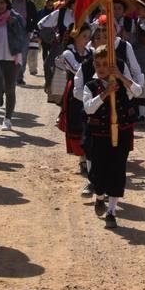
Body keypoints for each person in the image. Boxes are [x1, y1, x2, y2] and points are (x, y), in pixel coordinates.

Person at [79, 42, 143, 228]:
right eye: (97, 64)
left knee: (117, 171)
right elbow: (89, 108)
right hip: (99, 136)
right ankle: (99, 197)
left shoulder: (121, 83)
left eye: (105, 64)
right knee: (98, 173)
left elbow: (138, 91)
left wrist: (121, 77)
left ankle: (111, 212)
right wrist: (105, 94)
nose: (101, 68)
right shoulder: (90, 86)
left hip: (120, 135)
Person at [56, 24, 93, 177]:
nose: (87, 40)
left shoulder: (90, 52)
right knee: (77, 124)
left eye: (88, 36)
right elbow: (78, 69)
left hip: (91, 89)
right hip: (75, 92)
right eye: (84, 36)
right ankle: (82, 159)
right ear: (75, 36)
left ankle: (90, 157)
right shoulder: (68, 53)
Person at [0, 0, 28, 131]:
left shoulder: (15, 17)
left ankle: (8, 119)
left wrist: (13, 24)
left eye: (3, 2)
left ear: (7, 3)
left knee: (10, 89)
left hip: (11, 59)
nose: (0, 6)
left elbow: (22, 37)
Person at [12, 0, 39, 84]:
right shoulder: (11, 3)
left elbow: (35, 18)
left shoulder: (29, 4)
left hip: (25, 32)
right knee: (13, 55)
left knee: (23, 55)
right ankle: (12, 76)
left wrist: (30, 30)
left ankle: (19, 77)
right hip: (13, 32)